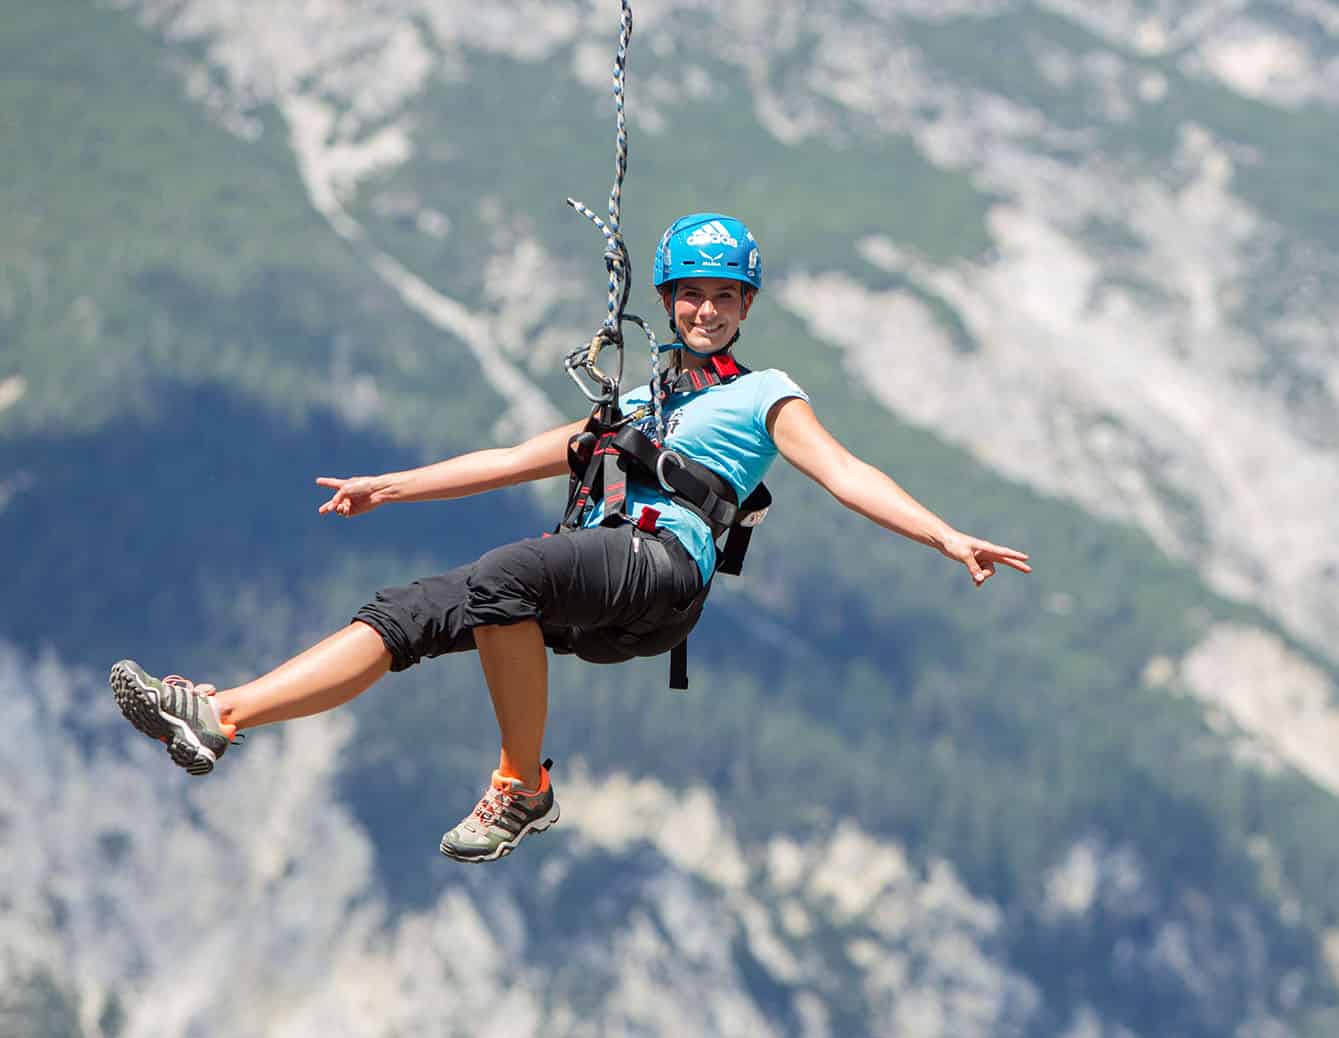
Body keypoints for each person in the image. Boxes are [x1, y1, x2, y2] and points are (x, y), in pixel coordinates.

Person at [108, 212, 1031, 863]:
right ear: (666, 300)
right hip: (598, 582)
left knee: (504, 574)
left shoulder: (765, 393)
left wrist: (945, 536)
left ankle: (521, 785)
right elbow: (516, 457)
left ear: (747, 306)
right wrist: (390, 486)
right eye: (692, 295)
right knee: (409, 612)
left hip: (663, 572)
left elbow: (846, 471)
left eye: (725, 297)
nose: (706, 311)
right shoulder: (631, 403)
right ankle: (221, 717)